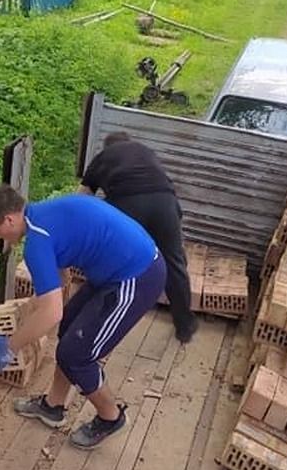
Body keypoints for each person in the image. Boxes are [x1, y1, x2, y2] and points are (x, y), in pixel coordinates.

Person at [0, 185, 166, 449]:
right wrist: (29, 311)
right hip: (114, 270)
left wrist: (8, 347)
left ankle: (111, 417)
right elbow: (61, 281)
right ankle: (53, 406)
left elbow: (51, 311)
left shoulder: (37, 243)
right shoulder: (45, 214)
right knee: (70, 330)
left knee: (76, 355)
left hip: (136, 276)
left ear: (9, 219)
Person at [80, 131, 198, 344]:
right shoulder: (146, 152)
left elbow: (83, 198)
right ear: (129, 142)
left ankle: (98, 317)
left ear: (107, 147)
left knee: (112, 260)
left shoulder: (103, 157)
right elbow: (166, 184)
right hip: (164, 204)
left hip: (127, 204)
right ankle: (185, 326)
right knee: (175, 263)